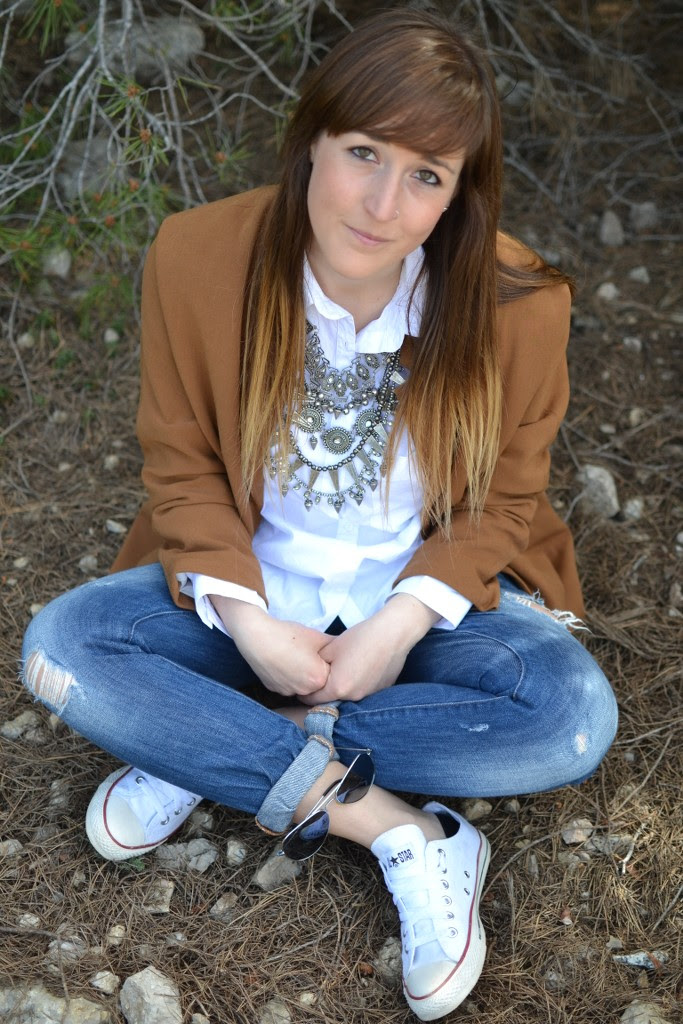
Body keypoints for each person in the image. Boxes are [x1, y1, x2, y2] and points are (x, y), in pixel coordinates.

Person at [21, 8, 618, 1020]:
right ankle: (403, 831)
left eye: (425, 175)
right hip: (246, 602)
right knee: (61, 647)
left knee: (570, 720)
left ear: (458, 194)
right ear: (311, 142)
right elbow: (181, 462)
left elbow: (504, 498)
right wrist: (249, 624)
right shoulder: (197, 258)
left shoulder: (519, 303)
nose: (382, 204)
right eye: (362, 154)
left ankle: (208, 740)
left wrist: (399, 623)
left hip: (422, 613)